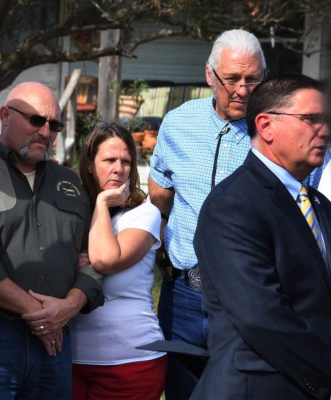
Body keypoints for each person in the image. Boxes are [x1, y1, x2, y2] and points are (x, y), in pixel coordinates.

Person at [0, 82, 104, 400]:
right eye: (36, 120)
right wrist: (44, 316)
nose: (46, 132)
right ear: (5, 115)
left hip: (56, 342)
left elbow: (94, 256)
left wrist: (69, 306)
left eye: (54, 125)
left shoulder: (70, 183)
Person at [192, 73, 331, 399]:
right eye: (311, 119)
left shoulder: (318, 204)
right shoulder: (232, 206)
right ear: (266, 126)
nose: (323, 130)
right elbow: (261, 317)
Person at [148, 29, 266, 399]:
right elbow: (160, 193)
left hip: (250, 297)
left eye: (253, 79)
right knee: (183, 388)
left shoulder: (278, 129)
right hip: (183, 293)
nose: (242, 90)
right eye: (231, 79)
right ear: (209, 75)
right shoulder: (179, 123)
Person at [71, 122, 166, 400]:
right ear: (89, 164)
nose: (119, 168)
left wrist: (101, 202)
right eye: (109, 160)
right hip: (69, 359)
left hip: (130, 361)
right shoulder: (73, 208)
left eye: (126, 161)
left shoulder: (144, 213)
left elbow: (104, 259)